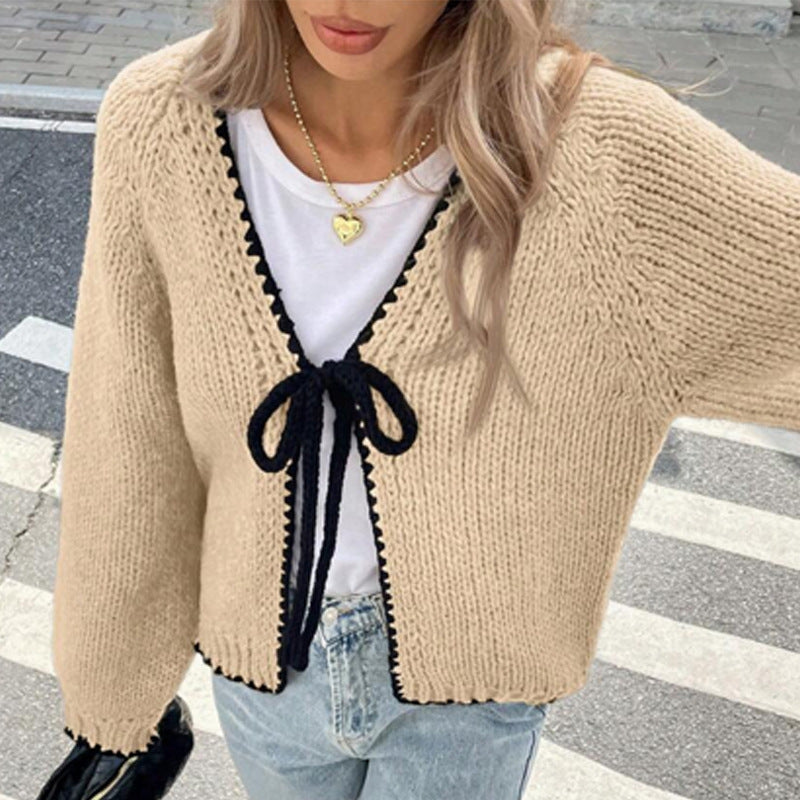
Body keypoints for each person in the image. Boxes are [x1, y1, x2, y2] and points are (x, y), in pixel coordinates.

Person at [51, 0, 800, 798]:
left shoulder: (596, 147)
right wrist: (111, 691)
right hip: (262, 667)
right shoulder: (161, 122)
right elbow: (126, 430)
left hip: (468, 692)